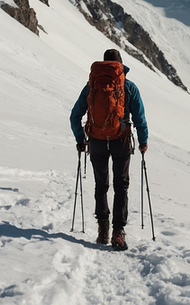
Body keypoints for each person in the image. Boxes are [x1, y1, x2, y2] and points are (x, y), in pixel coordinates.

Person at [70, 48, 148, 250]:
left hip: (96, 140)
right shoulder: (129, 87)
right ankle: (118, 232)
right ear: (121, 67)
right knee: (121, 185)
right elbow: (140, 119)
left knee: (101, 184)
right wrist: (143, 142)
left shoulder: (92, 86)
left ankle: (103, 229)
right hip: (120, 139)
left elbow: (74, 116)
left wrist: (81, 139)